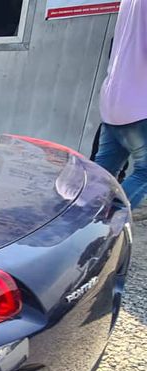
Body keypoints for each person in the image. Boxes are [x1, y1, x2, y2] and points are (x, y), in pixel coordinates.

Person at [94, 0, 147, 218]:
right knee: (144, 172)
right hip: (139, 104)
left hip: (113, 100)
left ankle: (77, 224)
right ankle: (105, 228)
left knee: (102, 174)